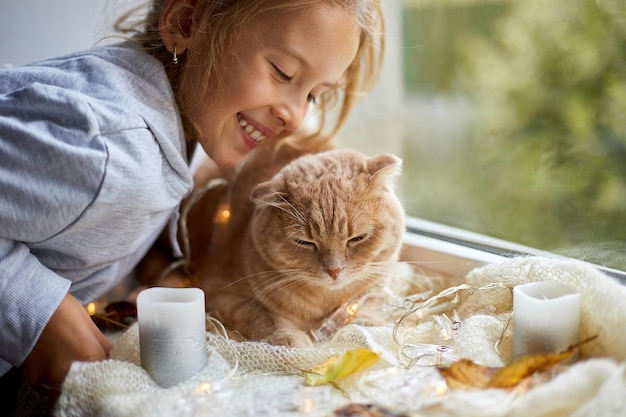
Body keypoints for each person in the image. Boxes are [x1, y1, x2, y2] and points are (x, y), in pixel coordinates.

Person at [0, 0, 385, 412]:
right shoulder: (111, 152)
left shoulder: (172, 124)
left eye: (313, 96)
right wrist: (37, 310)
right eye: (282, 72)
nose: (293, 116)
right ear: (186, 23)